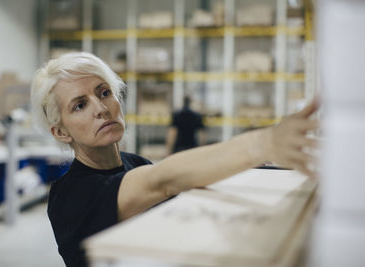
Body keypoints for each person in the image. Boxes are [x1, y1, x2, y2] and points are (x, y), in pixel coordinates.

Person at [30, 52, 318, 267]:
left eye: (104, 93)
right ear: (60, 131)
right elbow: (163, 181)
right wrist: (263, 143)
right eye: (80, 105)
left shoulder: (136, 163)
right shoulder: (69, 196)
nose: (101, 108)